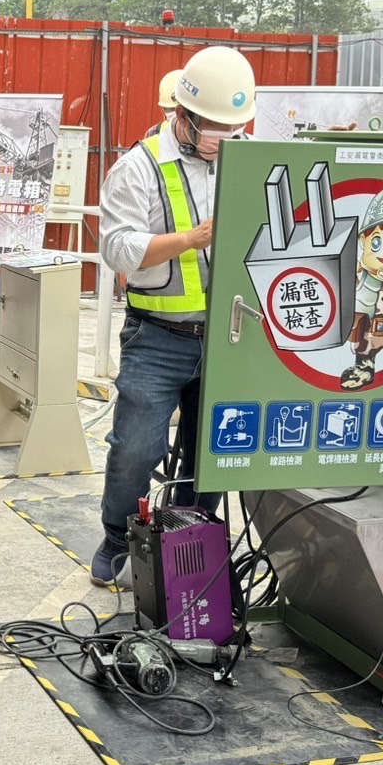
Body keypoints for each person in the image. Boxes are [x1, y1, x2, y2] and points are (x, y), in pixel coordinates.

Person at [91, 46, 256, 587]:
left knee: (211, 452)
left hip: (229, 338)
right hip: (157, 337)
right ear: (181, 114)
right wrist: (192, 238)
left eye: (232, 128)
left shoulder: (249, 160)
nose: (222, 139)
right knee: (136, 448)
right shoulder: (138, 168)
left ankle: (192, 546)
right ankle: (118, 540)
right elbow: (117, 248)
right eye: (212, 127)